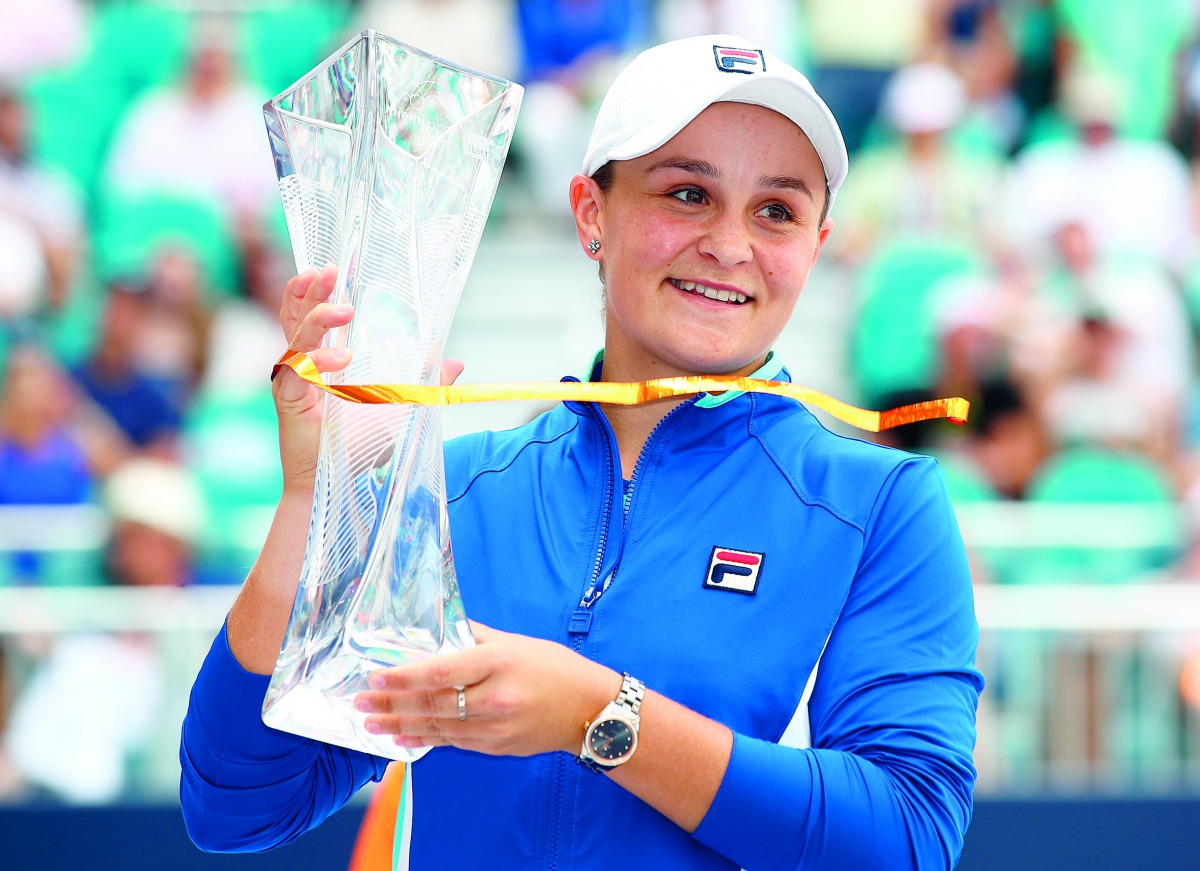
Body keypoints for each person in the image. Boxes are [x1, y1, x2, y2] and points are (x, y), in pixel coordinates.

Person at [180, 34, 983, 869]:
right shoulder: (457, 491)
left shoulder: (880, 505)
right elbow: (236, 805)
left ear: (816, 247)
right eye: (687, 193)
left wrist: (601, 716)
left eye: (776, 210)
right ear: (591, 212)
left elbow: (908, 839)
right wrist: (317, 497)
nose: (731, 244)